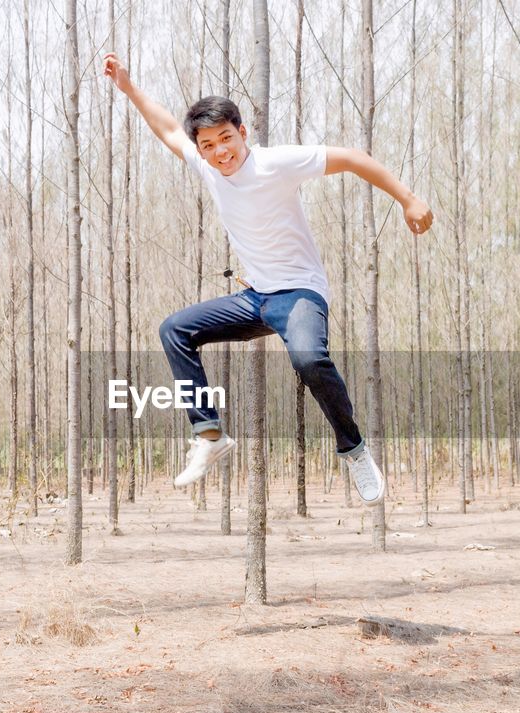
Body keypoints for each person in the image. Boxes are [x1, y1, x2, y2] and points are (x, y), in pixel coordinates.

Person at [103, 52, 433, 505]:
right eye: (209, 146)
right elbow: (166, 128)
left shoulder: (277, 162)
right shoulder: (206, 167)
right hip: (256, 298)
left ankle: (354, 449)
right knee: (175, 329)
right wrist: (129, 87)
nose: (220, 152)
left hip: (299, 295)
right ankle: (209, 434)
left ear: (243, 132)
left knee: (309, 359)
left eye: (226, 139)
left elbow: (355, 158)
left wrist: (408, 199)